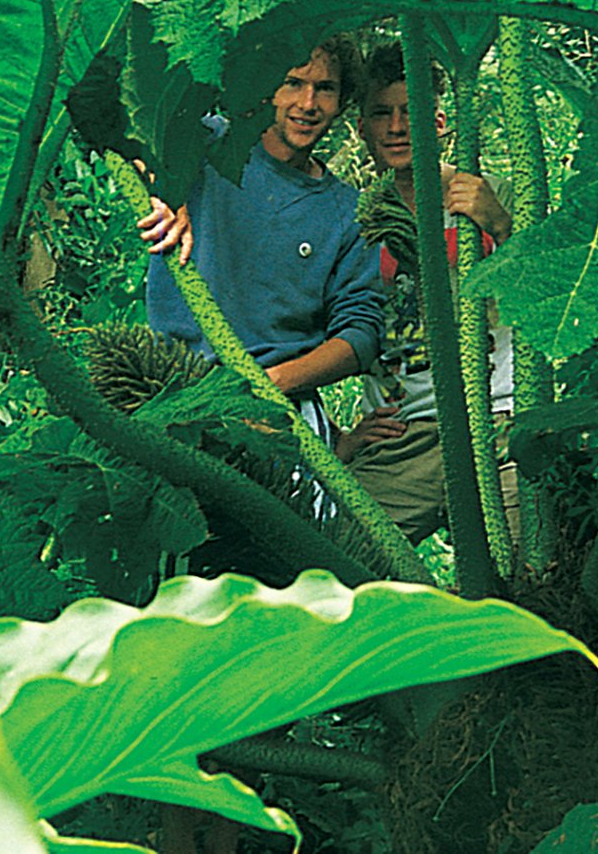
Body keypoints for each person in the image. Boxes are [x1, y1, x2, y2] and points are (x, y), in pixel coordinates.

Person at [139, 37, 383, 438]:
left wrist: (271, 384)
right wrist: (169, 189)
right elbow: (125, 127)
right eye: (292, 83)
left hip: (278, 413)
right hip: (171, 390)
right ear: (266, 88)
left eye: (325, 88)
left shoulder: (348, 213)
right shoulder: (202, 143)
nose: (308, 103)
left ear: (342, 101)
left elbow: (361, 333)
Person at [336, 43, 515, 544]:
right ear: (362, 129)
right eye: (380, 114)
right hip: (402, 434)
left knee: (534, 576)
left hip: (498, 421)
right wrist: (339, 437)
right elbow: (301, 326)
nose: (396, 127)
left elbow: (554, 296)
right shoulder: (351, 219)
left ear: (438, 121)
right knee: (339, 560)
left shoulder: (494, 191)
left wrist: (500, 225)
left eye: (410, 111)